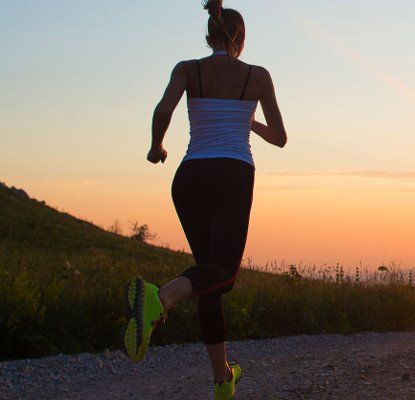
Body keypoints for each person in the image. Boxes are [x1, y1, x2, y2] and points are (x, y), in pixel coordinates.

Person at [124, 1, 287, 399]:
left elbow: (164, 107)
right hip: (232, 174)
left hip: (190, 177)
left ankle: (222, 379)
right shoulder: (257, 76)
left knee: (208, 276)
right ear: (241, 40)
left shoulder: (188, 69)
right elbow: (280, 137)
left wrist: (155, 147)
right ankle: (158, 298)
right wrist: (250, 122)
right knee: (224, 273)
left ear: (208, 36)